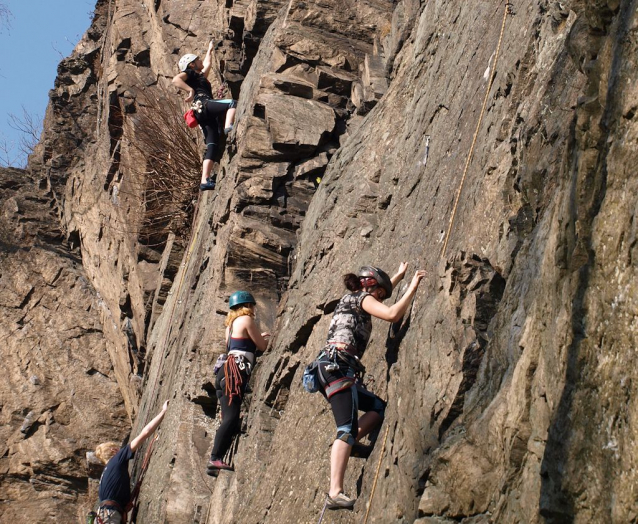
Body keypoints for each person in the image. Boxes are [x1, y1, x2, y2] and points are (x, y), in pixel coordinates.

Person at [318, 264, 426, 510]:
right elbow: (390, 315)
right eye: (380, 294)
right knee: (344, 428)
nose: (381, 299)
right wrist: (413, 286)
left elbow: (378, 299)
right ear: (369, 285)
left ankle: (352, 441)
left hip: (335, 369)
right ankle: (335, 491)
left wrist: (397, 277)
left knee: (377, 408)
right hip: (337, 368)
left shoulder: (355, 298)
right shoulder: (362, 298)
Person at [207, 291, 270, 473]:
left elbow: (237, 345)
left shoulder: (230, 326)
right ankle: (214, 458)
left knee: (230, 419)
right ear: (248, 306)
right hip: (235, 373)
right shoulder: (247, 320)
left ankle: (217, 460)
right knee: (232, 417)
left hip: (224, 373)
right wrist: (262, 337)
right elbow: (262, 347)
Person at [172, 41, 236, 191]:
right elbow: (176, 80)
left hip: (201, 114)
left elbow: (207, 63)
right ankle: (229, 126)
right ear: (192, 65)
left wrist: (210, 49)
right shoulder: (190, 73)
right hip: (204, 104)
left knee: (212, 145)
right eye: (197, 60)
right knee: (232, 103)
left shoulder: (199, 77)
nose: (200, 61)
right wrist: (190, 91)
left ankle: (204, 181)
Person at [95, 401, 169, 523]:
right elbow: (144, 434)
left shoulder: (105, 475)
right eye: (118, 448)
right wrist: (163, 412)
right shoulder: (118, 458)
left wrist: (124, 506)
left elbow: (112, 498)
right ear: (114, 450)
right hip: (110, 516)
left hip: (104, 516)